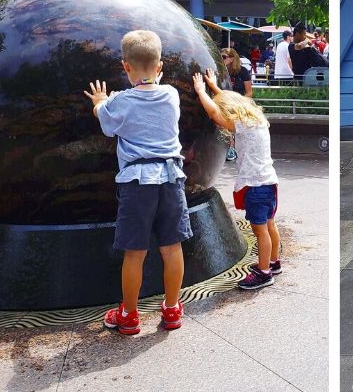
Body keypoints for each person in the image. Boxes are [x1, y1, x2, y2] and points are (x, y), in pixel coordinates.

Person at [83, 30, 191, 335]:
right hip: (171, 179)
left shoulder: (121, 102)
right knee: (172, 247)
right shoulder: (171, 95)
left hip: (137, 182)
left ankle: (129, 315)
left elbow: (103, 120)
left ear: (125, 66)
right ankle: (172, 309)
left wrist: (101, 100)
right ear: (159, 67)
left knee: (135, 252)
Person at [192, 69, 282, 290]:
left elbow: (214, 113)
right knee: (269, 224)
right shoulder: (256, 118)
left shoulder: (241, 124)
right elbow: (230, 100)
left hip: (256, 186)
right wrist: (214, 87)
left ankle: (264, 273)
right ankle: (273, 262)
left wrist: (201, 91)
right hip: (269, 182)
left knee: (259, 229)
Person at [220, 47, 252, 161]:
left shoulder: (242, 71)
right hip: (224, 103)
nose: (222, 59)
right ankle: (230, 148)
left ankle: (235, 149)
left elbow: (249, 92)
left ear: (232, 58)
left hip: (238, 104)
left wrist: (238, 102)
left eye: (224, 57)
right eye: (221, 57)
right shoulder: (220, 71)